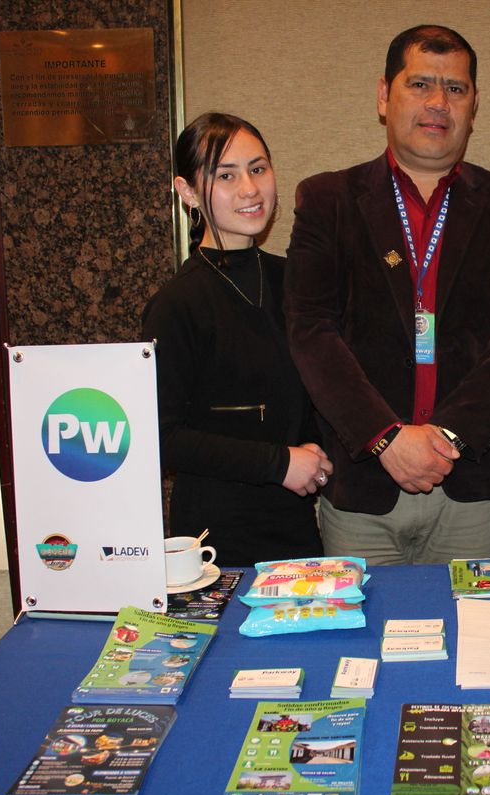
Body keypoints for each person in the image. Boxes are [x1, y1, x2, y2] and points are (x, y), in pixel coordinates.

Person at [284, 25, 490, 565]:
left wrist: (447, 436)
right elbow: (312, 331)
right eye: (420, 84)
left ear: (475, 104)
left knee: (463, 639)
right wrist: (385, 438)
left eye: (455, 89)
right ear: (384, 95)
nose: (437, 103)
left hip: (468, 484)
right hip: (362, 487)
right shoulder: (326, 199)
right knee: (358, 640)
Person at [141, 112, 331, 568]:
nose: (250, 188)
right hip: (215, 537)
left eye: (258, 168)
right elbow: (162, 437)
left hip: (295, 524)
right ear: (187, 192)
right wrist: (278, 464)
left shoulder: (293, 280)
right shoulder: (176, 303)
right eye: (226, 175)